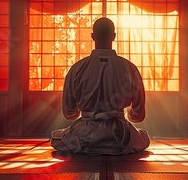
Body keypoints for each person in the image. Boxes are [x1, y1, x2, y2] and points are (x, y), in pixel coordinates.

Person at [50, 17, 150, 155]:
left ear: (93, 36)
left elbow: (69, 113)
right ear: (114, 36)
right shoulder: (129, 68)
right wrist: (123, 114)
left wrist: (88, 113)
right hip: (119, 137)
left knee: (55, 137)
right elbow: (139, 116)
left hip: (84, 137)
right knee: (144, 136)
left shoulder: (78, 68)